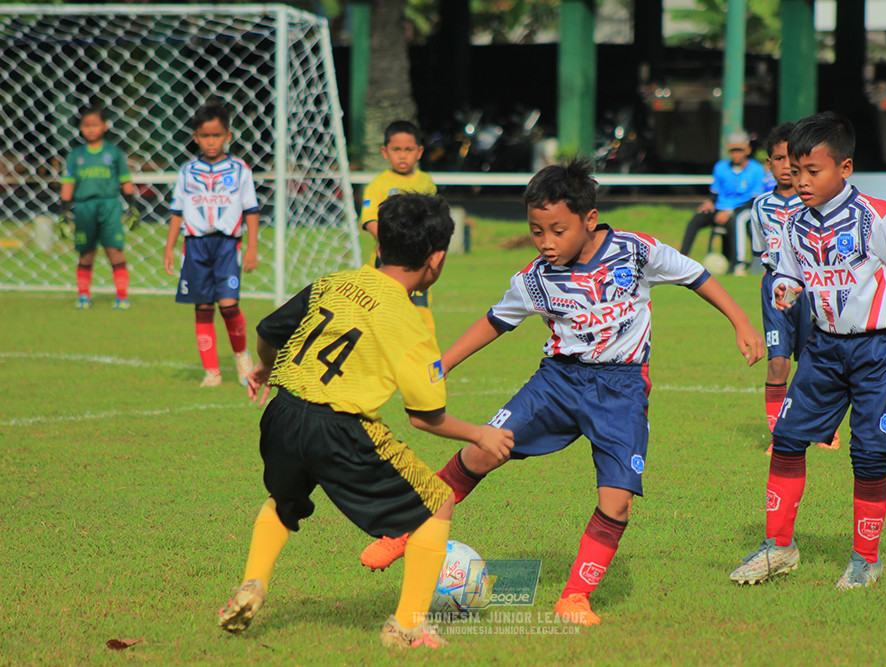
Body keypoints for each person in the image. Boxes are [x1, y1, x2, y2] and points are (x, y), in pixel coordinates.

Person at [361, 157, 766, 625]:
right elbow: (497, 321)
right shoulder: (535, 278)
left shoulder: (635, 251)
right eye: (537, 231)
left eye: (557, 230)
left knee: (617, 500)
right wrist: (442, 364)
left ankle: (575, 595)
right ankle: (407, 530)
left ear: (588, 220)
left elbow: (696, 275)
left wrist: (740, 322)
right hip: (556, 383)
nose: (546, 243)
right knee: (482, 452)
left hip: (622, 389)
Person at [216, 193, 514, 649]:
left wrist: (265, 366)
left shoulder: (332, 282)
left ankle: (253, 583)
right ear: (435, 260)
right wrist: (480, 434)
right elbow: (424, 416)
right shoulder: (411, 321)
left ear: (382, 245)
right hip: (338, 426)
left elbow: (267, 333)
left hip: (281, 412)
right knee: (437, 503)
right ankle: (409, 625)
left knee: (284, 499)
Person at [729, 112, 886, 590]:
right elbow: (788, 272)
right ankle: (780, 548)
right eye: (795, 171)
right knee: (785, 441)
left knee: (868, 456)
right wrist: (786, 288)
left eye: (812, 171)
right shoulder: (793, 223)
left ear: (844, 168)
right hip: (822, 349)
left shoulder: (877, 217)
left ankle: (866, 559)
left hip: (878, 350)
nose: (801, 181)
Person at [748, 123, 840, 455]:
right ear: (769, 164)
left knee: (813, 360)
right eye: (778, 159)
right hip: (776, 285)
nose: (785, 166)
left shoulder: (814, 201)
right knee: (777, 360)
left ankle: (823, 427)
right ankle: (781, 434)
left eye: (791, 160)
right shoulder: (759, 207)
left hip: (813, 286)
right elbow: (762, 254)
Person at [163, 102, 260, 388]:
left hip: (227, 245)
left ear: (228, 135)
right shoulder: (187, 171)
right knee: (203, 307)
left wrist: (252, 246)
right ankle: (212, 372)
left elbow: (251, 210)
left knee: (229, 305)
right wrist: (169, 247)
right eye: (205, 136)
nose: (211, 141)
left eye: (217, 135)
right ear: (195, 137)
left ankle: (242, 356)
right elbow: (176, 211)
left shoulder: (240, 169)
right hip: (195, 246)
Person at [360, 120, 438, 333]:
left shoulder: (426, 182)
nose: (402, 155)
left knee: (419, 312)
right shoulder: (378, 184)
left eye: (408, 149)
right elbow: (369, 220)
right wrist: (392, 241)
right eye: (396, 150)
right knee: (381, 313)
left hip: (418, 259)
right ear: (385, 152)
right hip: (386, 260)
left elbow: (433, 218)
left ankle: (425, 359)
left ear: (419, 152)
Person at [59, 103, 139, 310]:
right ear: (80, 128)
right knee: (86, 252)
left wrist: (132, 205)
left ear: (105, 126)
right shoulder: (75, 155)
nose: (91, 129)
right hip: (85, 208)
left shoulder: (114, 153)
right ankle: (83, 295)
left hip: (110, 206)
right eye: (86, 125)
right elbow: (68, 183)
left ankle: (122, 296)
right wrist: (63, 210)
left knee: (115, 250)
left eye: (95, 124)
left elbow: (125, 181)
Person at [679, 130, 767, 274]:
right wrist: (708, 202)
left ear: (748, 150)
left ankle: (738, 265)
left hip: (742, 209)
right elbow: (715, 194)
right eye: (733, 150)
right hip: (720, 208)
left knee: (736, 221)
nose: (736, 154)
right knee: (696, 219)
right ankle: (681, 260)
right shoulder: (721, 167)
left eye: (740, 150)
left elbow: (754, 200)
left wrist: (729, 212)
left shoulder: (756, 169)